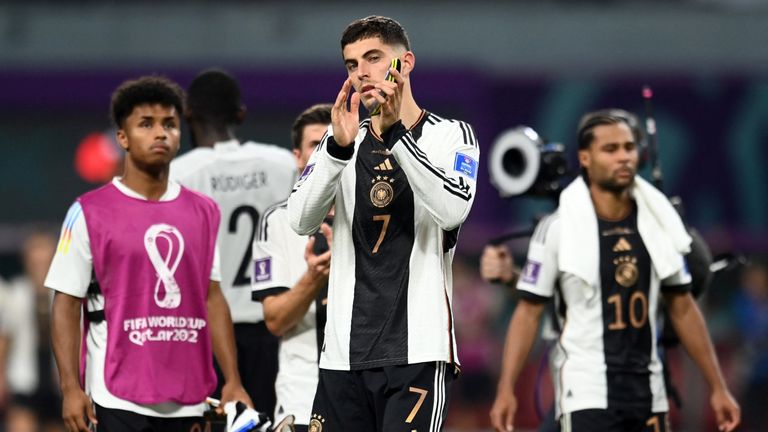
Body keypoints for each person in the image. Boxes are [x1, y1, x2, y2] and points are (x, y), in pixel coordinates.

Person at [489, 112, 740, 432]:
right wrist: (506, 389)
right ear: (585, 158)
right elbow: (528, 313)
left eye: (629, 147)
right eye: (610, 149)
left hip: (649, 393)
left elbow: (683, 307)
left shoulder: (659, 223)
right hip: (585, 392)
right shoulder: (558, 228)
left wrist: (718, 387)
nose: (623, 157)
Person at [287, 16, 480, 431]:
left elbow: (452, 210)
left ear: (405, 63)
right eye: (352, 64)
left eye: (373, 58)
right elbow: (300, 220)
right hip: (342, 355)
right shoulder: (341, 140)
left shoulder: (452, 136)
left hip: (417, 354)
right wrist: (337, 150)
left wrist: (395, 136)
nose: (362, 73)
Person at [46, 76, 251, 432]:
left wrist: (232, 379)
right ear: (122, 138)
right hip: (116, 396)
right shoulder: (88, 211)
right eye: (146, 124)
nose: (161, 133)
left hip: (188, 397)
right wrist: (70, 388)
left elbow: (212, 296)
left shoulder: (204, 211)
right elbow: (65, 302)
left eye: (170, 124)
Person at [170, 69, 296, 415]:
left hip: (205, 334)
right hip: (275, 329)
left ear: (187, 113)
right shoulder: (282, 164)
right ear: (240, 114)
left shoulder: (178, 175)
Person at [251, 103, 333, 431]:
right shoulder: (280, 222)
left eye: (335, 139)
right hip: (302, 400)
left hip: (369, 399)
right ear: (298, 157)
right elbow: (275, 319)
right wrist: (314, 278)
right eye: (316, 144)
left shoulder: (377, 218)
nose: (327, 150)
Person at [3, 231, 64, 432]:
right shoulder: (14, 293)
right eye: (35, 261)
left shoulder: (66, 296)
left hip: (58, 382)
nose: (40, 267)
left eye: (44, 261)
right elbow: (4, 339)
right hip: (24, 379)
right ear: (26, 261)